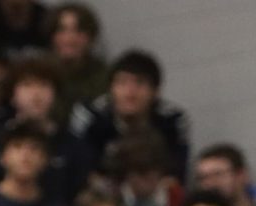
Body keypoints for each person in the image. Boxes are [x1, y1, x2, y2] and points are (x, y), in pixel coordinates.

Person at [0, 58, 91, 206]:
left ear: (55, 94)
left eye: (44, 85)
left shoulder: (74, 146)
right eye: (27, 85)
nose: (36, 94)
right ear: (12, 95)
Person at [69, 49, 190, 181]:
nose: (130, 92)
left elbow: (176, 176)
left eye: (139, 83)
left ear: (155, 91)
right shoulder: (91, 117)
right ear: (110, 89)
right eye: (122, 82)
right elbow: (80, 172)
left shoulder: (171, 121)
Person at [45, 2, 106, 114]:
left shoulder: (104, 76)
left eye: (79, 31)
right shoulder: (40, 73)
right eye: (62, 30)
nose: (69, 39)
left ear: (90, 37)